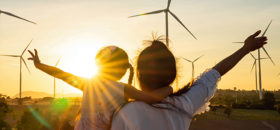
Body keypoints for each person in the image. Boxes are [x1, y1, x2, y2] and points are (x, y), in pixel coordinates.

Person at [111, 30, 267, 130]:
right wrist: (246, 48)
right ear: (172, 74)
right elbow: (216, 72)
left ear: (139, 74)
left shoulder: (126, 112)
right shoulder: (184, 103)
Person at [28, 46, 173, 130]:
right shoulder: (122, 88)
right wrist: (169, 89)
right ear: (122, 70)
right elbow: (151, 98)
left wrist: (39, 65)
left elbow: (60, 74)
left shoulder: (88, 83)